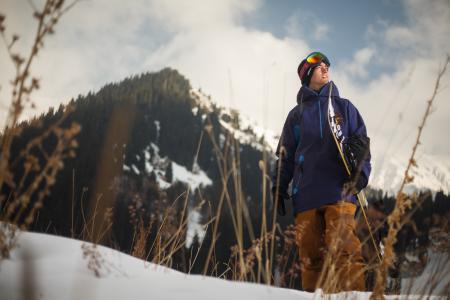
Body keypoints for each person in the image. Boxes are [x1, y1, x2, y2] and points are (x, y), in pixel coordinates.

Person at [271, 51, 371, 292]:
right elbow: (285, 155)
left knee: (345, 250)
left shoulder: (344, 107)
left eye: (327, 65)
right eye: (319, 67)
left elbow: (363, 145)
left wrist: (361, 174)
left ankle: (351, 297)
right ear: (307, 75)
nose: (325, 69)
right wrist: (278, 186)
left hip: (340, 191)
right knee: (310, 259)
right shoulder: (296, 115)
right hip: (305, 195)